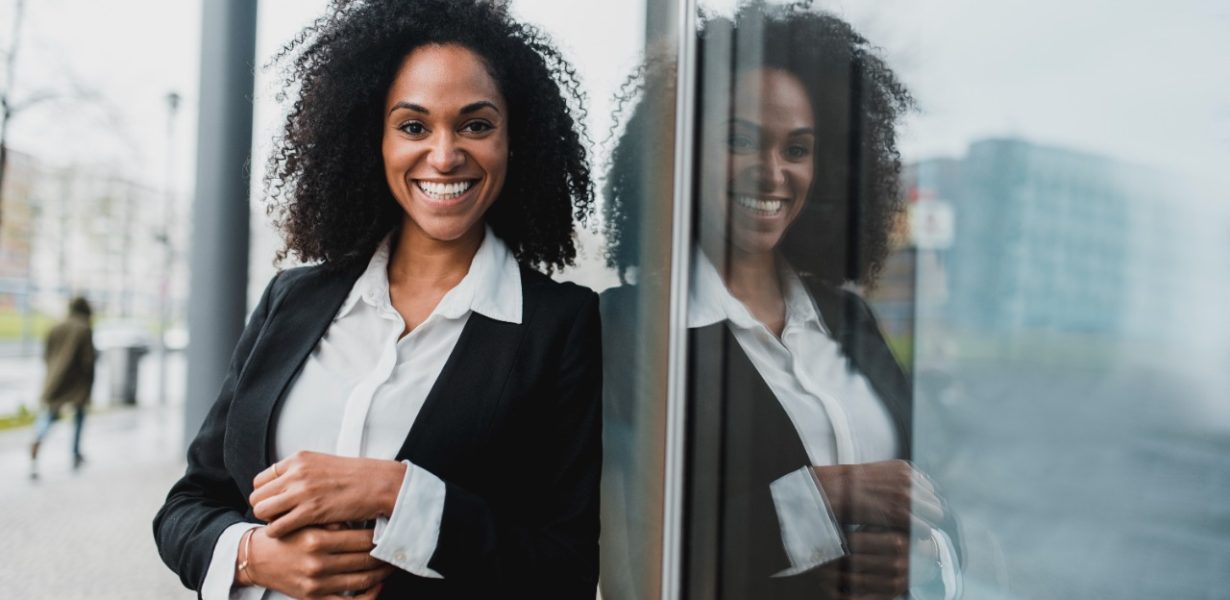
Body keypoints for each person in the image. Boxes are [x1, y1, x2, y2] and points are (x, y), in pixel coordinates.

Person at [153, 1, 601, 598]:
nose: (444, 156)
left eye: (476, 124)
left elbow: (563, 569)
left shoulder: (560, 326)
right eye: (413, 126)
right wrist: (252, 556)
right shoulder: (293, 299)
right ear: (375, 139)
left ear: (515, 140)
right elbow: (190, 504)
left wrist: (396, 492)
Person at [601, 3, 960, 598]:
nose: (772, 174)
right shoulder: (628, 328)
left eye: (797, 149)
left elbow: (933, 493)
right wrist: (825, 497)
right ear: (681, 149)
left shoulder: (849, 320)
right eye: (740, 141)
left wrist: (924, 562)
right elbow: (637, 547)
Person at [29, 295, 96, 479]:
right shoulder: (84, 328)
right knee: (79, 416)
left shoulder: (55, 327)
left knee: (50, 414)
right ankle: (75, 453)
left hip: (55, 379)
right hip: (76, 382)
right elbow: (87, 359)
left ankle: (38, 437)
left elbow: (46, 355)